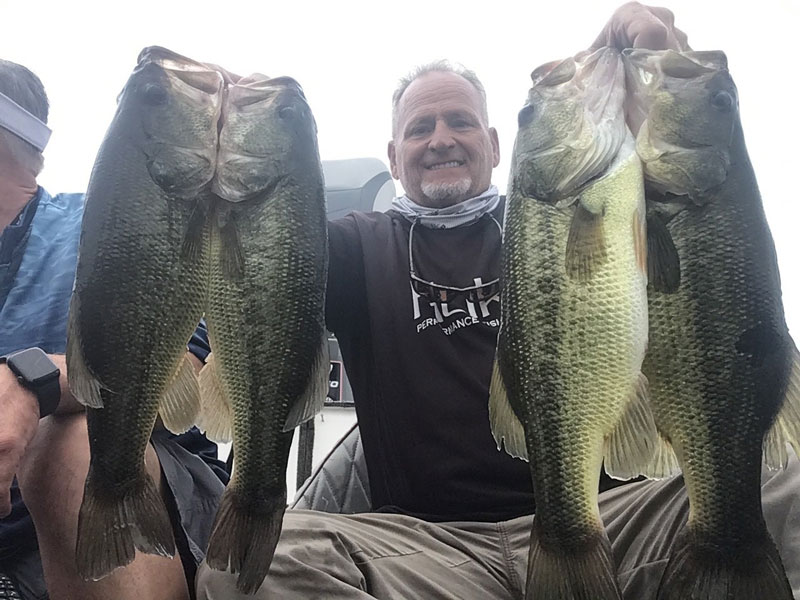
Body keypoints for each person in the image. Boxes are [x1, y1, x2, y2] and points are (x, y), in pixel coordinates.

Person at [195, 2, 800, 599]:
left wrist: (646, 63)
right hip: (429, 549)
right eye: (419, 129)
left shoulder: (572, 212)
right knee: (249, 571)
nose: (441, 139)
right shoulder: (355, 246)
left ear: (494, 143)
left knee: (787, 483)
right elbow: (262, 269)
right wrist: (219, 138)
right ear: (393, 157)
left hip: (612, 521)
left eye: (460, 122)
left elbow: (689, 196)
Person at [0, 60, 229, 599]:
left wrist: (35, 382)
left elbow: (189, 365)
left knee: (71, 440)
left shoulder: (120, 221)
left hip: (142, 495)